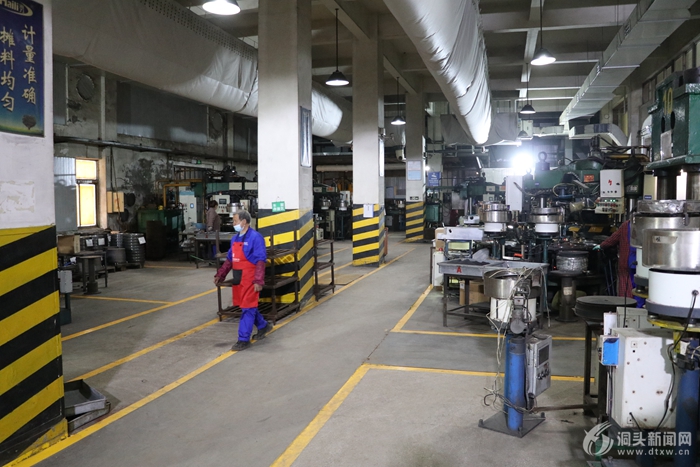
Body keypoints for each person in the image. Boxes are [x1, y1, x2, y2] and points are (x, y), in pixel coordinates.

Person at [214, 210, 272, 350]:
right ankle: (263, 326)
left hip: (250, 278)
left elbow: (260, 260)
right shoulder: (235, 239)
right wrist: (220, 275)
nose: (233, 223)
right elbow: (230, 260)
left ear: (244, 222)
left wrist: (258, 280)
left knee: (248, 308)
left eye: (235, 221)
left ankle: (243, 339)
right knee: (247, 305)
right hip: (239, 278)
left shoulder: (256, 237)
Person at [594, 219, 643, 305]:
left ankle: (628, 305)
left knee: (626, 284)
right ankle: (639, 306)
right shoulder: (649, 224)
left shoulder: (626, 225)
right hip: (643, 263)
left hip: (628, 261)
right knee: (641, 286)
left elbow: (613, 239)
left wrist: (601, 246)